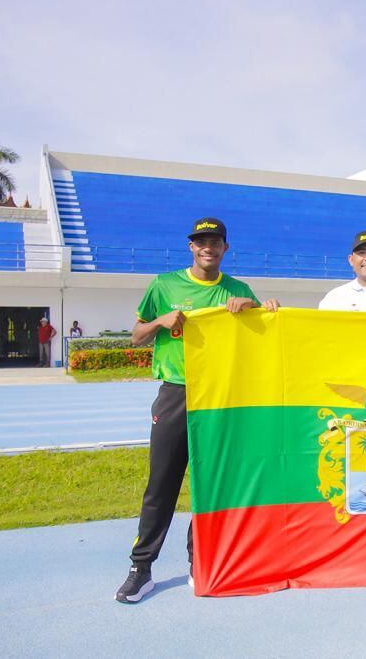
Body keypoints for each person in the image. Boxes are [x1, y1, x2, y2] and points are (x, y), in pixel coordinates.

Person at [115, 217, 280, 604]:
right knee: (162, 485)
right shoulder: (164, 284)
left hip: (221, 397)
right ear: (191, 247)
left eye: (215, 242)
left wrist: (262, 308)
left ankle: (200, 560)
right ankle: (142, 568)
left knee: (211, 483)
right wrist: (160, 320)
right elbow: (136, 335)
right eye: (201, 241)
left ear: (225, 248)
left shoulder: (237, 289)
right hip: (177, 392)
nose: (208, 247)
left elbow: (263, 337)